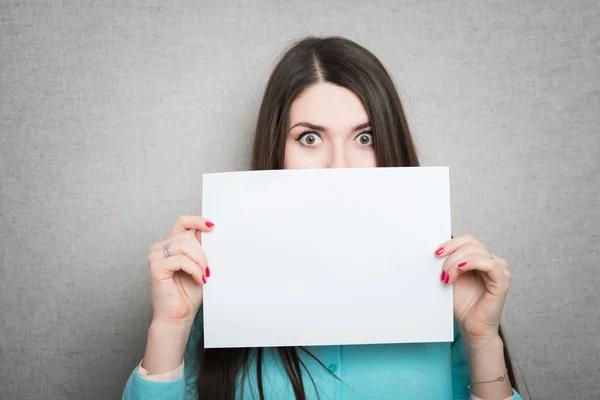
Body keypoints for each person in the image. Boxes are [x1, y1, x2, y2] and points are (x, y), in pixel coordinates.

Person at [123, 36, 522, 400]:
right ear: (277, 150)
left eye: (365, 138)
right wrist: (170, 328)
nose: (338, 167)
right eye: (310, 138)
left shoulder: (449, 285)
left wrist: (481, 338)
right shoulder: (213, 288)